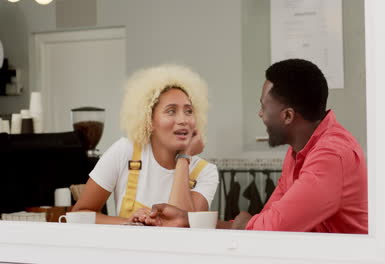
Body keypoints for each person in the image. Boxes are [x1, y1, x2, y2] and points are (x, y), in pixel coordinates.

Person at [144, 59, 368, 234]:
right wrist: (188, 221)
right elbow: (266, 220)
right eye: (171, 111)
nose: (260, 114)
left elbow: (272, 227)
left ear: (288, 115)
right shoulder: (298, 150)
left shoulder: (332, 155)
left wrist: (243, 223)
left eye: (264, 107)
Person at [72, 65, 219, 224]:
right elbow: (80, 214)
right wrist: (129, 223)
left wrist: (184, 159)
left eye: (189, 111)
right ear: (149, 120)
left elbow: (182, 229)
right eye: (171, 111)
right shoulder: (124, 152)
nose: (183, 120)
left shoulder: (205, 173)